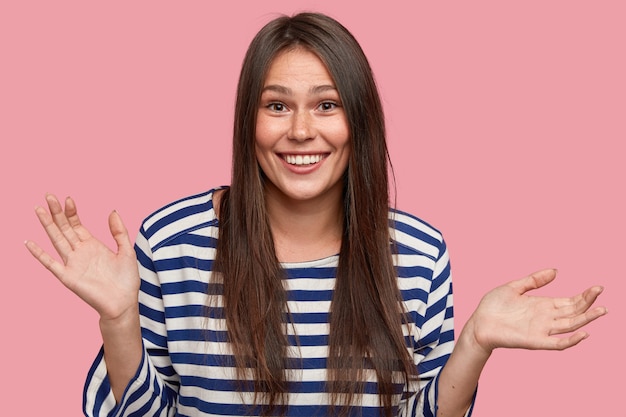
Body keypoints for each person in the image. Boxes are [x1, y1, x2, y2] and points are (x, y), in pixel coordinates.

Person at [25, 12, 607, 417]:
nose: (301, 131)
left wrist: (475, 342)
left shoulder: (417, 254)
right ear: (247, 122)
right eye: (277, 106)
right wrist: (120, 319)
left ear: (359, 120)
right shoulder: (173, 242)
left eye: (326, 105)